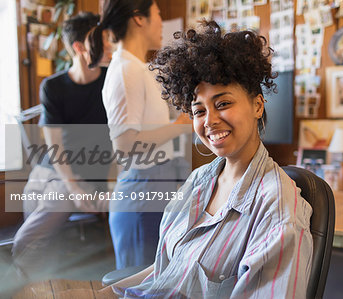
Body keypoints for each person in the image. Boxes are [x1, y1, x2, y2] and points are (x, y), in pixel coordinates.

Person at [101, 20, 313, 298]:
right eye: (199, 111)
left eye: (223, 104)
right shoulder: (197, 182)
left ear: (257, 106)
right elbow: (167, 273)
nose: (210, 121)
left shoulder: (279, 212)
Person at [88, 0, 192, 270]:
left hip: (154, 188)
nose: (161, 22)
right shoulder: (126, 71)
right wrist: (180, 124)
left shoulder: (137, 68)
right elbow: (125, 145)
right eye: (157, 14)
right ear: (139, 18)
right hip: (142, 196)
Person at [12, 12, 112, 276]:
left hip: (84, 177)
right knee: (35, 212)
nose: (110, 45)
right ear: (79, 48)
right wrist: (72, 186)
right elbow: (54, 146)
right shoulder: (53, 87)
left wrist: (79, 188)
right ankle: (42, 284)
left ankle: (21, 283)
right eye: (102, 40)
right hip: (51, 171)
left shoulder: (112, 80)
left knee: (28, 239)